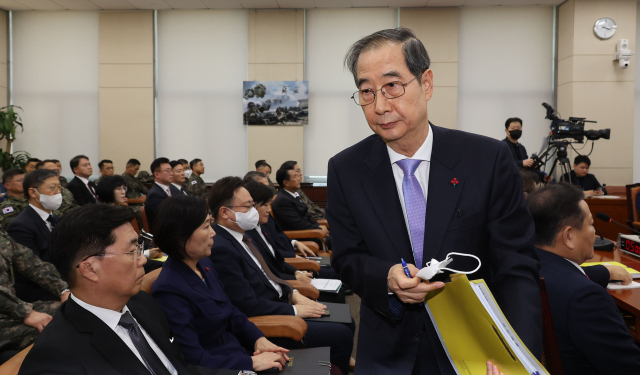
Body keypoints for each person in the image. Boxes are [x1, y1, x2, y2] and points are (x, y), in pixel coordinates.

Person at [327, 28, 538, 374]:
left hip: (476, 350)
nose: (380, 106)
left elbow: (517, 267)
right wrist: (388, 277)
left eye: (392, 86)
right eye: (366, 91)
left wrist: (517, 357)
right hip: (387, 352)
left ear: (426, 84)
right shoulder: (346, 169)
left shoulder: (486, 159)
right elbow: (347, 258)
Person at [19, 204, 238, 375]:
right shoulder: (56, 358)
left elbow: (177, 369)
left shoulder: (143, 305)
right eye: (131, 251)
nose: (142, 259)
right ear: (90, 269)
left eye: (139, 249)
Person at [208, 176, 354, 375]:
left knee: (345, 318)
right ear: (225, 212)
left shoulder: (243, 235)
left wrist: (293, 293)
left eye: (253, 205)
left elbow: (271, 275)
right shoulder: (221, 248)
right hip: (270, 320)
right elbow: (246, 304)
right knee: (341, 334)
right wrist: (293, 310)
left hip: (280, 302)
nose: (254, 211)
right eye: (248, 206)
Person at [151, 195, 290, 372]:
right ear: (180, 236)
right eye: (206, 226)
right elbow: (193, 358)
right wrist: (250, 363)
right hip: (222, 367)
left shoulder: (204, 264)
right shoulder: (168, 289)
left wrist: (258, 339)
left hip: (239, 351)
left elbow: (230, 310)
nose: (213, 232)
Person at [527, 183, 640, 374]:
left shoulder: (525, 266)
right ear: (568, 236)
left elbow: (564, 278)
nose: (594, 233)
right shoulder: (587, 298)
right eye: (590, 224)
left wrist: (605, 271)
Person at [0, 231, 69, 354]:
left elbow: (32, 264)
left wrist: (63, 290)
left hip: (11, 310)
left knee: (74, 311)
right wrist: (26, 313)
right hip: (12, 312)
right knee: (51, 332)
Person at [8, 169, 62, 303]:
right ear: (33, 192)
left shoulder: (57, 220)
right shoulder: (21, 226)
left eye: (59, 187)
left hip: (64, 283)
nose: (58, 192)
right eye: (52, 188)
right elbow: (34, 270)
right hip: (40, 293)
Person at [243, 182, 312, 284]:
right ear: (251, 206)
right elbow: (266, 273)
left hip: (285, 277)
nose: (269, 210)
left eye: (269, 205)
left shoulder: (262, 227)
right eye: (265, 205)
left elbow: (277, 260)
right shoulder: (248, 235)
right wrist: (295, 278)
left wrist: (297, 272)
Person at [96, 176, 163, 267]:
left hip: (136, 255)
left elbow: (135, 238)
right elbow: (116, 248)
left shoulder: (119, 211)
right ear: (107, 190)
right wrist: (146, 253)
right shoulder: (104, 216)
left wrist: (152, 247)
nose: (123, 191)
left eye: (124, 188)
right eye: (118, 189)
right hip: (123, 262)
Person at [272, 167, 328, 237]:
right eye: (295, 177)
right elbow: (298, 224)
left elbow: (307, 216)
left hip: (312, 231)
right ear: (286, 182)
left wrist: (319, 226)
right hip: (303, 236)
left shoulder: (292, 195)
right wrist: (318, 228)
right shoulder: (282, 200)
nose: (299, 179)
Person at [145, 157, 180, 228]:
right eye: (168, 171)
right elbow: (165, 218)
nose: (171, 174)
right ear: (157, 174)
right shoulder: (154, 195)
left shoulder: (173, 189)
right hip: (165, 232)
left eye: (171, 170)